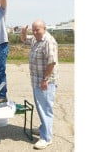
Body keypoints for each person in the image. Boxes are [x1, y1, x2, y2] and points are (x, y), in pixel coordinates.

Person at [21, 20, 59, 149]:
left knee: (45, 109)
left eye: (38, 29)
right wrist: (24, 32)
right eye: (34, 30)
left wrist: (45, 79)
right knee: (41, 107)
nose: (35, 32)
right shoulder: (36, 39)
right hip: (36, 80)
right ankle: (44, 127)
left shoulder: (48, 41)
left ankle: (46, 138)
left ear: (45, 28)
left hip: (45, 82)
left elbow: (52, 62)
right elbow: (24, 40)